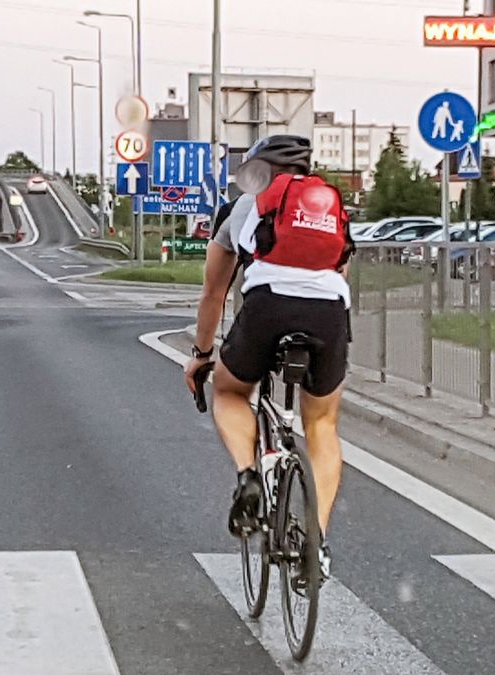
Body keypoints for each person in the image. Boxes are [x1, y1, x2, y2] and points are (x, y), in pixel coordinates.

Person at [183, 135, 351, 578]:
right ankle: (315, 542)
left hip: (267, 306)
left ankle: (248, 476)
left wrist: (201, 354)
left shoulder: (240, 209)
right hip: (329, 311)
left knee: (230, 392)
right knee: (322, 423)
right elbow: (341, 272)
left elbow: (214, 293)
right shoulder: (327, 206)